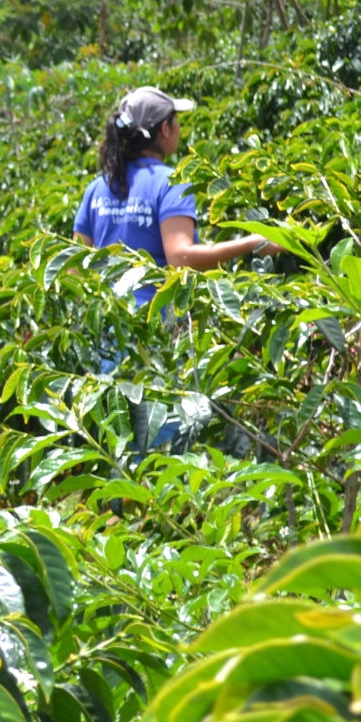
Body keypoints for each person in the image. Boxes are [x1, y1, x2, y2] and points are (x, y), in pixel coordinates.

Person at [74, 84, 280, 452]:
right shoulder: (170, 182)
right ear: (164, 130)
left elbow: (77, 269)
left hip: (109, 333)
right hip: (158, 336)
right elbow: (181, 256)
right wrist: (253, 242)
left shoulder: (96, 189)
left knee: (117, 441)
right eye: (176, 122)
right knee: (161, 446)